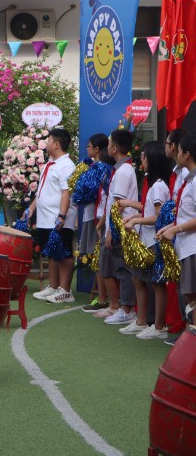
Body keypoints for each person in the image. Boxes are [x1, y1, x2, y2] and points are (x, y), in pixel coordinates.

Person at [119, 141, 172, 339]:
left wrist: (137, 220)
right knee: (139, 278)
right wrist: (134, 215)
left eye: (144, 157)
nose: (141, 160)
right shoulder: (154, 184)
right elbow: (148, 208)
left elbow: (158, 216)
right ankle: (143, 320)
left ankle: (158, 326)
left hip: (154, 241)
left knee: (157, 284)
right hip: (147, 240)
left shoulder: (158, 187)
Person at [27, 128, 77, 303]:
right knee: (52, 251)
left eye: (48, 141)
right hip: (44, 217)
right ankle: (54, 287)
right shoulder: (50, 163)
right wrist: (31, 208)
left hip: (58, 217)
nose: (46, 143)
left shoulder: (67, 166)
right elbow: (41, 191)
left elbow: (66, 192)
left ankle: (66, 290)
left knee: (63, 254)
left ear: (56, 144)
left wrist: (62, 216)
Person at [96, 129, 139, 324]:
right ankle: (119, 307)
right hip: (116, 227)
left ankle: (126, 308)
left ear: (114, 148)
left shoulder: (123, 171)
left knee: (122, 270)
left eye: (109, 143)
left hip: (120, 228)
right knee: (114, 268)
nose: (107, 147)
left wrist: (110, 233)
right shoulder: (121, 169)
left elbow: (118, 206)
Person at [158, 132, 196, 327]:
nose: (177, 154)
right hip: (186, 246)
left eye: (179, 150)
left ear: (187, 154)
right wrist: (169, 228)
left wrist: (176, 229)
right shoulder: (189, 180)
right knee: (190, 298)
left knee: (193, 298)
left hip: (192, 247)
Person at [77, 133, 111, 312]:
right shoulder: (90, 167)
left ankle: (103, 298)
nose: (87, 149)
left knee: (100, 257)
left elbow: (104, 195)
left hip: (99, 217)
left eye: (89, 146)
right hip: (92, 215)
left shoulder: (103, 168)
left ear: (97, 149)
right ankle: (101, 297)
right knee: (96, 257)